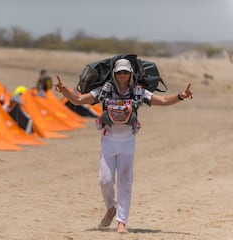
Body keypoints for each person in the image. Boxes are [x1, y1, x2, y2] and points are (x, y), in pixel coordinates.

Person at [54, 58, 193, 234]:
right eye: (119, 72)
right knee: (105, 180)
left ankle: (122, 222)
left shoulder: (138, 92)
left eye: (125, 72)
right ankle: (110, 208)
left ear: (131, 74)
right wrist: (65, 90)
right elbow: (78, 100)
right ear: (114, 73)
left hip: (127, 142)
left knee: (125, 182)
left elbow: (164, 100)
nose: (122, 76)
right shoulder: (104, 90)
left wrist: (181, 96)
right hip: (108, 140)